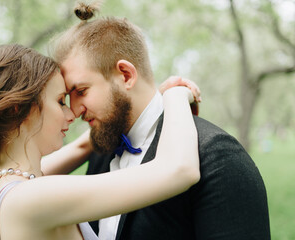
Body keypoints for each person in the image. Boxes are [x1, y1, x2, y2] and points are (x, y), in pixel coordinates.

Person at [48, 2, 271, 240]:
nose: (74, 110)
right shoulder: (102, 147)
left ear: (126, 75)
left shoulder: (218, 157)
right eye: (67, 97)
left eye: (81, 90)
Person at [0, 44, 201, 240]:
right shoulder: (33, 198)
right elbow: (179, 170)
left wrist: (120, 112)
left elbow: (80, 147)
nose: (71, 113)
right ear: (18, 110)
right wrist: (175, 95)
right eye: (60, 101)